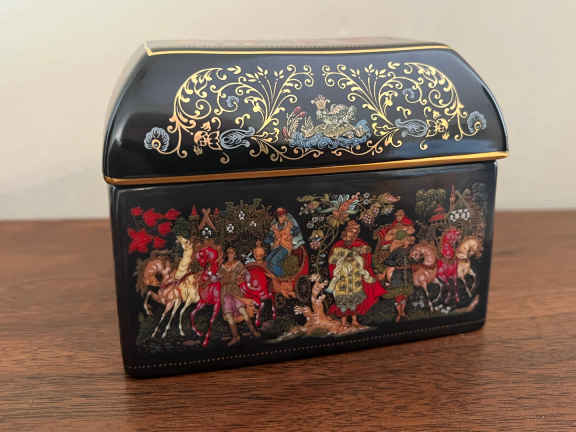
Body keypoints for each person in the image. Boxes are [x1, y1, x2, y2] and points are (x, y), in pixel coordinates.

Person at [326, 220, 387, 327]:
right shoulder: (338, 246)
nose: (353, 234)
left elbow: (365, 262)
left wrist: (363, 255)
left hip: (355, 279)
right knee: (344, 301)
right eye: (351, 231)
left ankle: (354, 320)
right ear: (346, 232)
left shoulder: (360, 244)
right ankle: (344, 322)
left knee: (355, 301)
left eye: (355, 232)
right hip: (343, 280)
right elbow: (333, 261)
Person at [220, 247, 260, 346]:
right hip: (225, 292)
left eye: (232, 252)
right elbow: (218, 277)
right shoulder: (223, 266)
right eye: (228, 252)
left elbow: (246, 274)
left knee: (243, 311)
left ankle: (253, 331)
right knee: (229, 315)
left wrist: (245, 281)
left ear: (235, 254)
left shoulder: (238, 264)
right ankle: (235, 337)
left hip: (235, 291)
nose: (230, 254)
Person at [264, 207, 304, 277]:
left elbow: (298, 233)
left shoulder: (289, 225)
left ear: (285, 216)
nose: (282, 218)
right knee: (267, 260)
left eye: (283, 216)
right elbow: (269, 237)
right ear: (277, 217)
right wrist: (268, 239)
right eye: (280, 216)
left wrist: (292, 238)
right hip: (277, 246)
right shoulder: (274, 226)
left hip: (286, 247)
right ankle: (273, 275)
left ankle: (282, 276)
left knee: (274, 261)